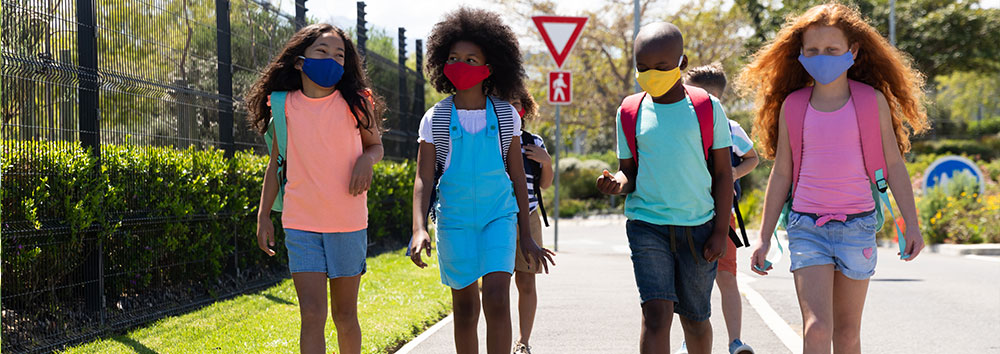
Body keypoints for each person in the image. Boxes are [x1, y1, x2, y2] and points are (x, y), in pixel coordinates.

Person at [736, 4, 929, 353]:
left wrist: (911, 225)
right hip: (806, 227)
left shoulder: (871, 102)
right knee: (817, 329)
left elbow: (894, 165)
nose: (821, 57)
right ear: (801, 55)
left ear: (852, 52)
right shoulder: (793, 106)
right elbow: (781, 173)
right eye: (812, 51)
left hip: (858, 228)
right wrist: (763, 238)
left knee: (847, 336)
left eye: (831, 50)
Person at [408, 7, 555, 354]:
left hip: (498, 218)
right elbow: (423, 178)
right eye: (455, 58)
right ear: (443, 64)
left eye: (472, 59)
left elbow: (519, 177)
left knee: (497, 299)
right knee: (464, 308)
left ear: (490, 68)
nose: (462, 64)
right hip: (454, 221)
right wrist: (418, 228)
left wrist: (526, 236)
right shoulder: (436, 118)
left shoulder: (505, 116)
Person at [596, 22, 733, 354]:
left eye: (661, 67)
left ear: (681, 64)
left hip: (699, 229)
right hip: (647, 227)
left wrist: (719, 231)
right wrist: (617, 184)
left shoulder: (706, 107)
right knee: (656, 316)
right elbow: (629, 172)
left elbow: (723, 174)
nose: (651, 74)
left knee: (696, 318)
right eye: (642, 68)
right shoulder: (629, 111)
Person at [249, 23, 384, 354]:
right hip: (300, 224)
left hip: (347, 223)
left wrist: (366, 161)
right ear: (299, 61)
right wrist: (263, 216)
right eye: (321, 52)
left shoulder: (357, 103)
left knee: (344, 315)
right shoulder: (281, 104)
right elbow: (276, 163)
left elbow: (375, 147)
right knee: (311, 315)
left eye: (339, 55)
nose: (331, 60)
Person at [684, 63, 759, 354]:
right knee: (690, 283)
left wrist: (732, 174)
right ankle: (688, 340)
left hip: (723, 215)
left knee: (726, 278)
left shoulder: (730, 128)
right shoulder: (682, 127)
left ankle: (735, 341)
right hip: (687, 212)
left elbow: (751, 158)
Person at [509, 87, 553, 354]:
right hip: (499, 217)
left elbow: (545, 185)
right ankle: (500, 339)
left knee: (526, 281)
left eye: (516, 103)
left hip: (531, 217)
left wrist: (546, 162)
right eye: (505, 103)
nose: (512, 109)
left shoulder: (533, 141)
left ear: (525, 108)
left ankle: (523, 341)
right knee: (498, 283)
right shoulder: (493, 139)